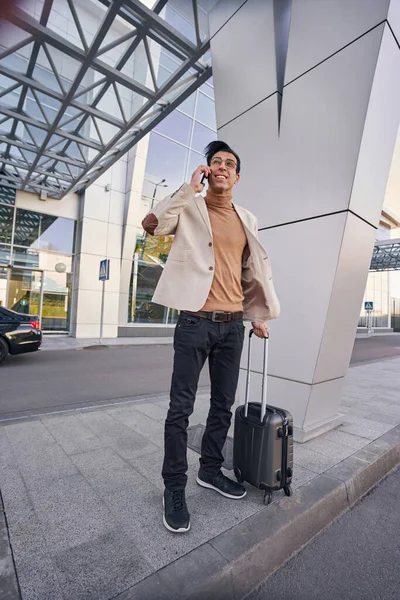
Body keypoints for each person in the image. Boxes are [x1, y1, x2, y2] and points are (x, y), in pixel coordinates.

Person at [142, 140, 280, 533]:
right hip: (194, 322)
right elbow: (152, 226)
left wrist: (256, 316)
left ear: (237, 176)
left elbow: (250, 272)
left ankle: (210, 470)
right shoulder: (190, 206)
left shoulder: (247, 218)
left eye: (229, 163)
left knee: (223, 404)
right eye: (215, 162)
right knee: (180, 410)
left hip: (232, 324)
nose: (221, 166)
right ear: (207, 171)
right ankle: (174, 488)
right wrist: (189, 189)